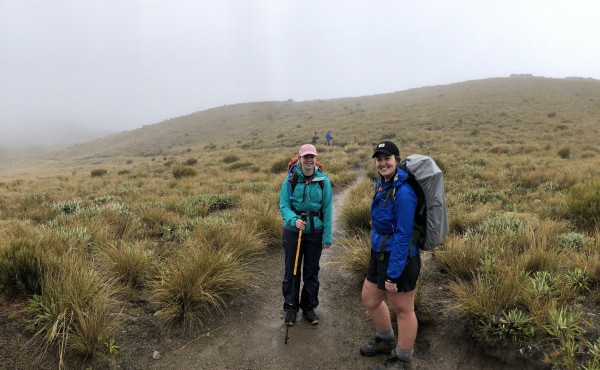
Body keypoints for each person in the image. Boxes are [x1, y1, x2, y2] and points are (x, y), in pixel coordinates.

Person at [360, 141, 420, 369]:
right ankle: (385, 340)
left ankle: (402, 359)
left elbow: (404, 236)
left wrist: (393, 275)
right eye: (379, 159)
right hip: (380, 253)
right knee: (370, 298)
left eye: (387, 159)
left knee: (403, 309)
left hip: (401, 258)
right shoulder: (383, 183)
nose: (382, 163)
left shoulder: (403, 193)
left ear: (397, 160)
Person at [279, 144, 333, 326]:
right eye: (305, 157)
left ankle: (309, 307)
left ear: (316, 158)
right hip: (293, 233)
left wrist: (326, 237)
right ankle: (291, 309)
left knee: (311, 271)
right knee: (292, 271)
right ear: (300, 158)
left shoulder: (323, 180)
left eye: (312, 157)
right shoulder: (290, 180)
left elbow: (327, 209)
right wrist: (293, 220)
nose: (309, 160)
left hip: (315, 234)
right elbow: (284, 206)